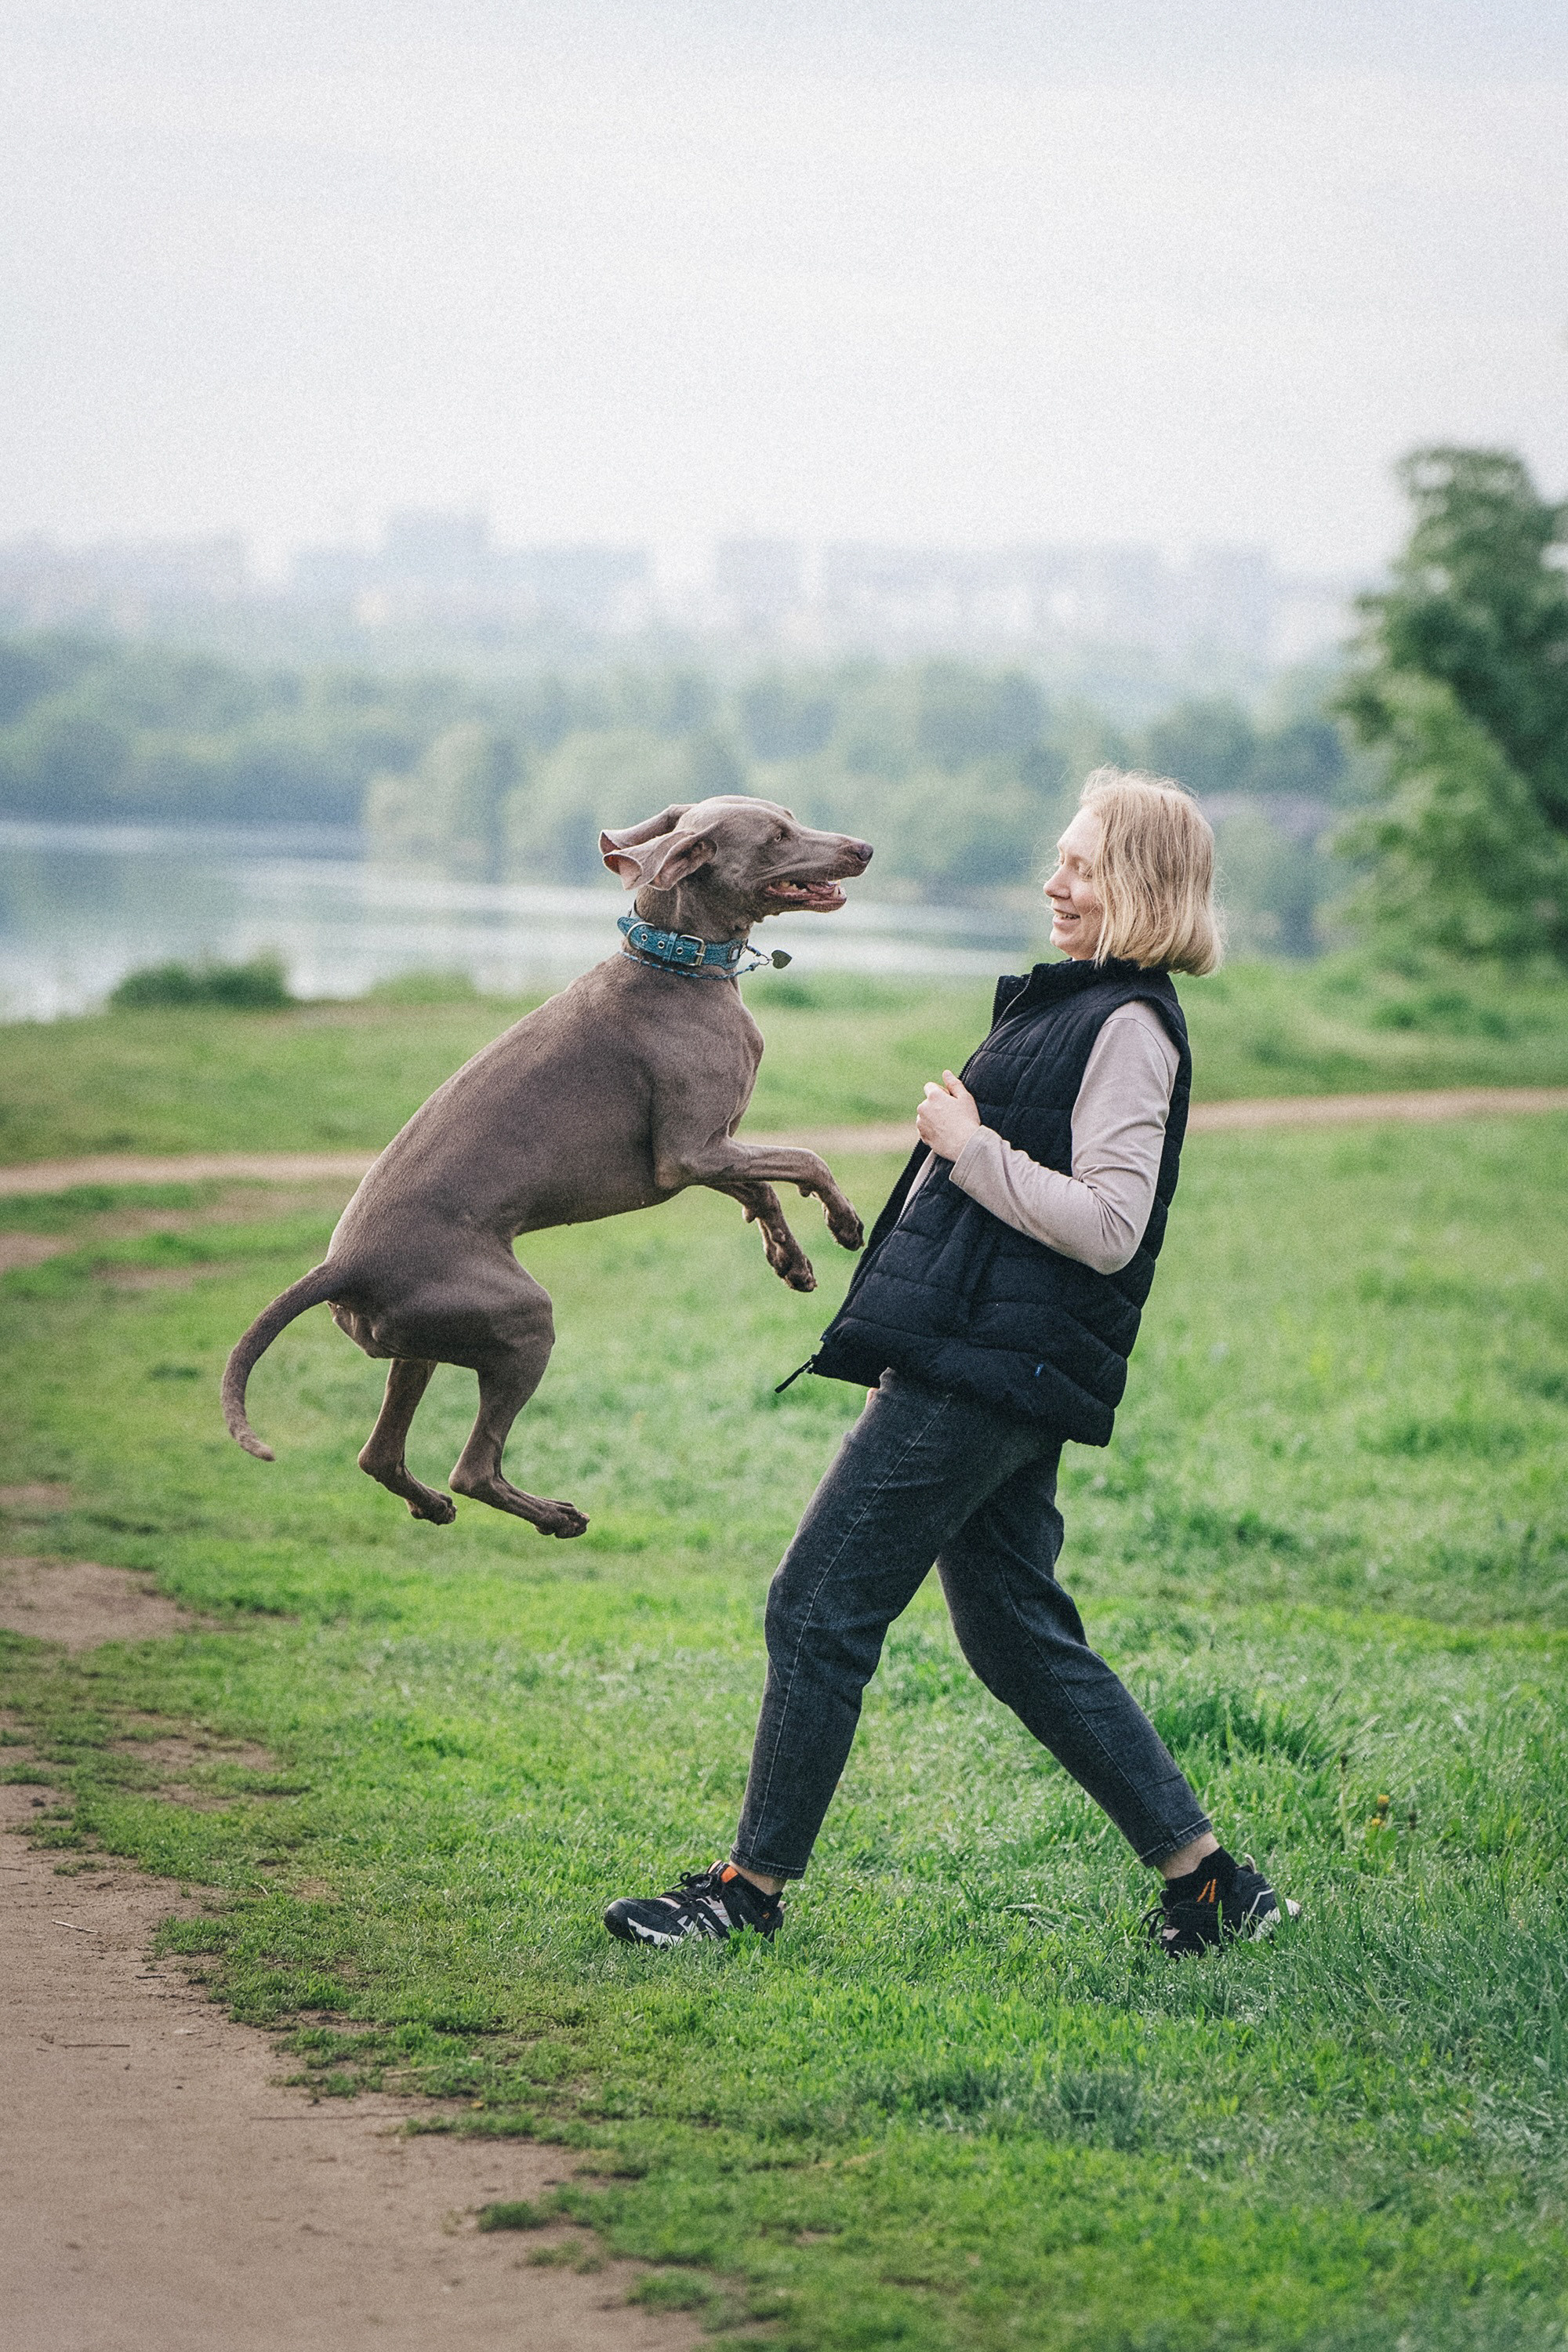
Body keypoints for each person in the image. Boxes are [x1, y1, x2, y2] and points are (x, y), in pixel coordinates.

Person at [604, 768, 1299, 1958]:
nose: (1053, 881)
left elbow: (1107, 1225)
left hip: (987, 1373)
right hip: (988, 1361)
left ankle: (748, 1893)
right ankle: (1212, 1884)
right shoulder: (1075, 1004)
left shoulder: (1128, 1026)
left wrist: (968, 1147)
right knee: (1016, 1630)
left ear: (1132, 883)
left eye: (1077, 866)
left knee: (816, 1606)